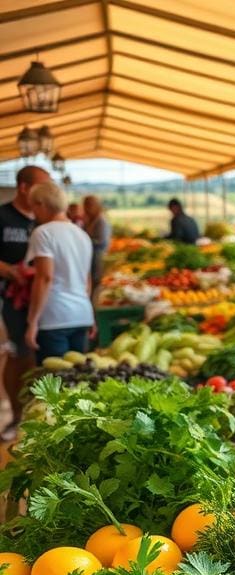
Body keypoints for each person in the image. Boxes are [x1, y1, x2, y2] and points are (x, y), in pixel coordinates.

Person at [0, 164, 50, 438]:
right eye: (41, 185)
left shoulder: (45, 217)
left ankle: (37, 416)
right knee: (20, 355)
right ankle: (16, 416)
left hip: (46, 299)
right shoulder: (4, 216)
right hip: (15, 299)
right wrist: (10, 271)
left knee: (41, 358)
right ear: (23, 187)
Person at [24, 180, 94, 366]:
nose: (34, 214)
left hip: (55, 317)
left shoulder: (43, 233)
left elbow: (45, 278)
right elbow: (86, 280)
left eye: (34, 208)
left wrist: (32, 322)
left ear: (42, 204)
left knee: (55, 385)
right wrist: (90, 314)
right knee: (77, 380)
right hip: (81, 315)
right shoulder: (82, 234)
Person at [82, 195, 111, 288]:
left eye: (89, 205)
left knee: (96, 281)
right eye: (85, 205)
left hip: (98, 255)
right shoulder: (90, 219)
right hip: (92, 255)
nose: (86, 208)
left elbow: (101, 241)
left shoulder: (101, 220)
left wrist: (84, 241)